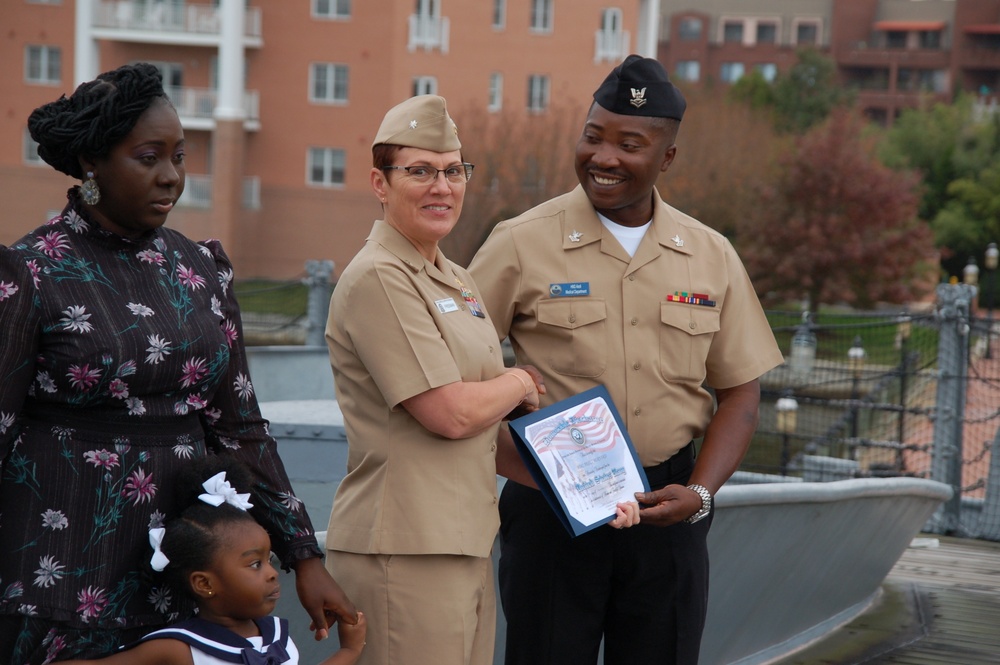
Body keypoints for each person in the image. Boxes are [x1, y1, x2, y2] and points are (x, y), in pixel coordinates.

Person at [0, 62, 357, 664]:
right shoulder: (30, 274)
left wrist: (304, 556)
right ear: (93, 163)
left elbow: (239, 426)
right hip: (61, 566)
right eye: (148, 158)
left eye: (180, 157)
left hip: (186, 573)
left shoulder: (200, 270)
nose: (171, 178)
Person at [468, 55, 784, 665]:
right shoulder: (520, 241)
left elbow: (741, 392)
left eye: (629, 143)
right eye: (593, 136)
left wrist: (701, 493)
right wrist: (522, 466)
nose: (603, 156)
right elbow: (457, 375)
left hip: (669, 509)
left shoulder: (710, 255)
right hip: (551, 511)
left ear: (666, 158)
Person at [322, 94, 638, 665]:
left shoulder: (457, 280)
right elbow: (452, 414)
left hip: (462, 544)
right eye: (419, 171)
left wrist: (591, 493)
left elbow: (484, 436)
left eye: (453, 171)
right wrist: (520, 383)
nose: (442, 187)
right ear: (379, 182)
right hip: (405, 550)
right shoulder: (380, 278)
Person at [58, 457, 368, 665]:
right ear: (204, 583)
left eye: (269, 560)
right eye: (255, 565)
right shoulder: (179, 648)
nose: (274, 574)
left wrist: (349, 650)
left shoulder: (277, 638)